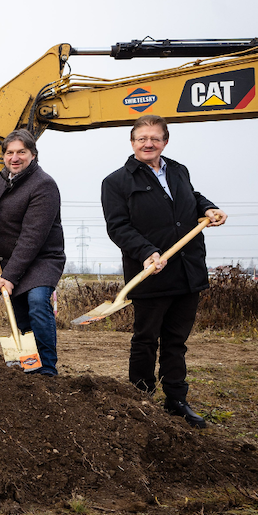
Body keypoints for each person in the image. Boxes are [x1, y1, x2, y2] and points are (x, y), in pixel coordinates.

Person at [101, 114, 228, 428]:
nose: (148, 143)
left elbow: (192, 199)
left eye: (155, 138)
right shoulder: (116, 182)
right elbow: (118, 227)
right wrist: (147, 252)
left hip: (188, 269)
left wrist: (208, 207)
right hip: (150, 273)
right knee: (146, 339)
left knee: (176, 341)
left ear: (165, 141)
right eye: (142, 138)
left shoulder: (179, 170)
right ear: (132, 143)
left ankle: (176, 400)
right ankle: (140, 399)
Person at [0, 129, 65, 375]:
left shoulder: (44, 185)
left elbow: (32, 237)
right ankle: (30, 365)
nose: (14, 158)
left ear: (33, 155)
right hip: (11, 260)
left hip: (41, 259)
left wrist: (10, 276)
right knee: (18, 314)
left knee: (37, 302)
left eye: (21, 152)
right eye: (9, 153)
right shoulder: (4, 178)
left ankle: (47, 369)